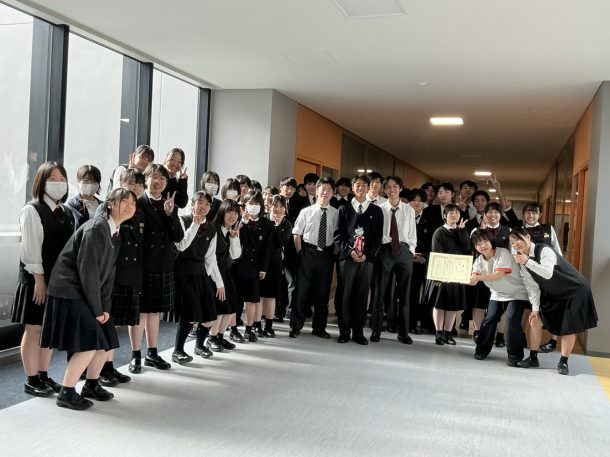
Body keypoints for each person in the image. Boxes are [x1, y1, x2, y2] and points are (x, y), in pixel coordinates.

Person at [41, 188, 137, 410]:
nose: (130, 206)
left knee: (106, 339)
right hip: (69, 290)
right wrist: (96, 310)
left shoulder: (115, 231)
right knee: (89, 343)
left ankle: (91, 385)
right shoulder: (96, 228)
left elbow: (109, 275)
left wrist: (105, 308)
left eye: (133, 203)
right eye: (125, 201)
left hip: (86, 291)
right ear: (110, 203)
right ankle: (66, 393)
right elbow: (88, 272)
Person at [11, 161, 74, 397]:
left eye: (62, 179)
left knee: (49, 329)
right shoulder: (32, 210)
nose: (58, 183)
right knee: (34, 329)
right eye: (53, 179)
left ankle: (44, 374)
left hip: (57, 281)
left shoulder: (66, 212)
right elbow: (31, 250)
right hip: (36, 280)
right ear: (41, 182)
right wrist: (40, 280)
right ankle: (31, 379)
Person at [510, 228, 598, 375]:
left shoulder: (544, 250)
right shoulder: (522, 259)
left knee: (569, 328)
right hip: (553, 292)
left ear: (527, 237)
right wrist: (535, 309)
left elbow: (547, 273)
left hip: (574, 290)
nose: (515, 244)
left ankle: (563, 362)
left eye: (517, 239)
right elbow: (532, 286)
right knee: (535, 320)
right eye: (512, 242)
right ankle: (533, 358)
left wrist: (527, 262)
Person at [129, 164, 184, 373]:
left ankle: (152, 352)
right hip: (141, 266)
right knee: (139, 313)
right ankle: (135, 355)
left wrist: (170, 215)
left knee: (154, 312)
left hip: (163, 265)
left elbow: (178, 236)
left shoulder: (171, 206)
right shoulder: (137, 203)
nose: (158, 181)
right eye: (154, 176)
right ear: (146, 180)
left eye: (162, 178)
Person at [100, 168, 146, 384]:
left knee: (112, 324)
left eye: (139, 184)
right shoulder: (105, 210)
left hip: (128, 274)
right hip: (110, 275)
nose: (135, 188)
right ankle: (100, 370)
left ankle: (108, 366)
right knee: (105, 323)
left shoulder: (138, 211)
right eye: (131, 183)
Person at [171, 192, 224, 363]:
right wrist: (195, 224)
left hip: (201, 274)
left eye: (207, 204)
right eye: (200, 202)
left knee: (210, 315)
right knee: (188, 316)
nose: (203, 207)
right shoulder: (182, 221)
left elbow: (211, 258)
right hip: (183, 273)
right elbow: (181, 245)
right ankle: (178, 351)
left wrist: (217, 282)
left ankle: (199, 345)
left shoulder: (212, 229)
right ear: (192, 204)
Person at [469, 230, 533, 366]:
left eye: (485, 241)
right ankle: (481, 350)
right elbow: (472, 280)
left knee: (511, 319)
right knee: (489, 319)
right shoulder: (478, 261)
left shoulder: (503, 253)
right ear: (475, 247)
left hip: (517, 293)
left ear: (491, 241)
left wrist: (477, 278)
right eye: (478, 244)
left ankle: (515, 356)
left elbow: (497, 276)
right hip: (497, 294)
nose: (483, 246)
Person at [334, 174, 383, 345]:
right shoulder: (343, 209)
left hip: (366, 260)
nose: (360, 188)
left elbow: (378, 238)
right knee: (344, 295)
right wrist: (350, 252)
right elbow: (337, 235)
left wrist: (366, 254)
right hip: (347, 259)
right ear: (352, 188)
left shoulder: (376, 211)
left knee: (362, 296)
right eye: (357, 185)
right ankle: (344, 331)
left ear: (369, 187)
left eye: (364, 185)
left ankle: (358, 332)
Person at [371, 176, 417, 345]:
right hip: (384, 250)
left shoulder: (409, 210)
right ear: (384, 190)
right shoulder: (379, 209)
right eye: (388, 187)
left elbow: (412, 233)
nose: (392, 190)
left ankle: (403, 333)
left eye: (395, 186)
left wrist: (410, 251)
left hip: (404, 251)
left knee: (404, 295)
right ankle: (376, 330)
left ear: (400, 188)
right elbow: (375, 233)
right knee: (379, 293)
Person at [289, 178, 337, 339]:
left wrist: (334, 254)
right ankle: (296, 325)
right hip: (308, 253)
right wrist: (300, 253)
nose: (325, 192)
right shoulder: (306, 211)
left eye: (329, 190)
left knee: (322, 293)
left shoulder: (336, 213)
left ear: (333, 193)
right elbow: (297, 233)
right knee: (301, 291)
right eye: (322, 189)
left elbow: (338, 237)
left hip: (326, 255)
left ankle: (319, 328)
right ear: (316, 191)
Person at [423, 204, 471, 345]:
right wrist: (438, 276)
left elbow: (467, 248)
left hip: (457, 273)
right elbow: (437, 253)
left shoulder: (462, 230)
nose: (454, 215)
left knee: (452, 305)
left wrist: (462, 231)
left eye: (456, 213)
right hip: (441, 272)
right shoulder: (439, 231)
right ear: (445, 216)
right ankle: (439, 333)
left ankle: (448, 334)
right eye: (450, 213)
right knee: (439, 304)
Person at [231, 190, 272, 342]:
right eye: (250, 203)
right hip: (237, 265)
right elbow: (239, 242)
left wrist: (264, 268)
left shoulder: (267, 224)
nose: (253, 206)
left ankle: (249, 329)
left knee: (252, 300)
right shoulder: (238, 222)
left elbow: (267, 248)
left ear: (261, 205)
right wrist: (245, 223)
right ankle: (234, 329)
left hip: (255, 267)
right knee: (236, 300)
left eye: (256, 203)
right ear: (245, 205)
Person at [205, 199, 242, 352]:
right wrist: (218, 282)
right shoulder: (214, 229)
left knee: (231, 307)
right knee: (220, 308)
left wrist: (234, 238)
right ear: (222, 212)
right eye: (229, 212)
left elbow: (235, 255)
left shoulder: (231, 231)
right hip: (213, 274)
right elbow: (210, 259)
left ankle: (220, 336)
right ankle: (211, 338)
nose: (232, 216)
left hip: (226, 273)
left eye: (235, 213)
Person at [261, 195, 292, 337]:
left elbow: (281, 243)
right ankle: (257, 323)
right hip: (261, 262)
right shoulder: (263, 220)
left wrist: (278, 226)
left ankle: (269, 325)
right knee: (260, 295)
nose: (277, 209)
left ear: (285, 208)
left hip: (275, 262)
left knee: (271, 295)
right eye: (275, 205)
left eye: (281, 206)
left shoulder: (287, 224)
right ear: (269, 206)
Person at [407, 188, 433, 333]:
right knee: (412, 293)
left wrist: (423, 256)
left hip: (425, 261)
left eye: (420, 200)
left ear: (424, 203)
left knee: (427, 294)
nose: (417, 203)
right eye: (414, 200)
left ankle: (426, 322)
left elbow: (433, 242)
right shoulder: (404, 217)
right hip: (407, 260)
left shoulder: (431, 219)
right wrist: (410, 254)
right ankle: (410, 324)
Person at [65, 164, 102, 229]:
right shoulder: (72, 204)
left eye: (94, 181)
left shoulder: (102, 205)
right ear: (78, 181)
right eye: (85, 180)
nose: (90, 184)